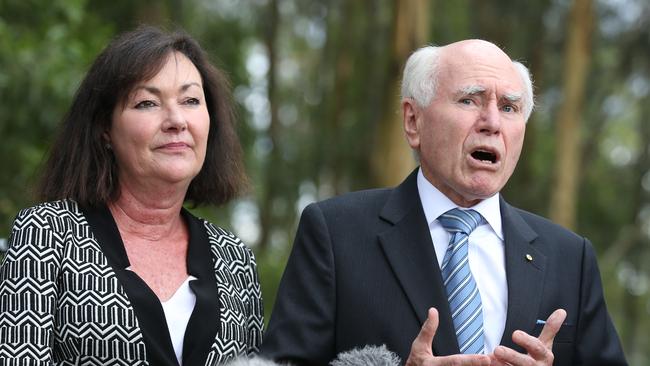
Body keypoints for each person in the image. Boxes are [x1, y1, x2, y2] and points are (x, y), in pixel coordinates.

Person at [261, 40, 627, 365]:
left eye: (510, 107)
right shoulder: (335, 232)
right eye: (469, 99)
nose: (492, 122)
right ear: (413, 121)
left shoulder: (570, 257)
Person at [0, 26, 263, 365]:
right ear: (105, 130)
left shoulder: (236, 259)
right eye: (147, 103)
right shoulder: (47, 235)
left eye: (190, 100)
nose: (176, 120)